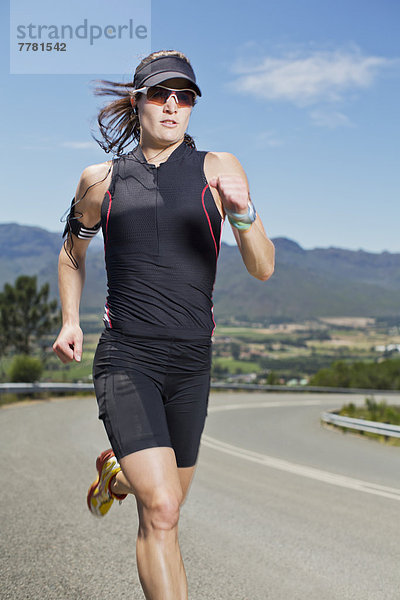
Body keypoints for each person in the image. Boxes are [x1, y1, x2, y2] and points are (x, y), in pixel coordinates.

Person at [53, 49, 275, 600]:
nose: (173, 106)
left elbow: (263, 266)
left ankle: (115, 473)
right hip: (128, 357)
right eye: (160, 94)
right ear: (138, 102)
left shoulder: (220, 169)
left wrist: (243, 216)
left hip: (191, 362)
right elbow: (70, 253)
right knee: (163, 510)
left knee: (166, 509)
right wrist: (69, 321)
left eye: (185, 97)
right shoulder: (100, 180)